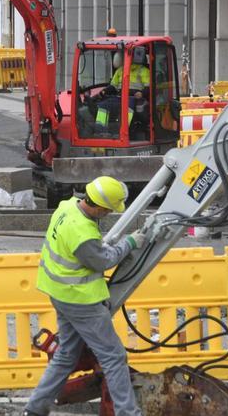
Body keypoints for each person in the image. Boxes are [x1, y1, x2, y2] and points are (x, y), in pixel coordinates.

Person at [23, 176, 145, 416]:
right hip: (80, 300)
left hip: (58, 292)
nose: (108, 214)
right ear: (99, 207)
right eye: (108, 210)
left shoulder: (67, 206)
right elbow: (104, 260)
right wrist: (130, 242)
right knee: (114, 357)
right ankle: (128, 413)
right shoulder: (82, 233)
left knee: (67, 354)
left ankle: (35, 409)